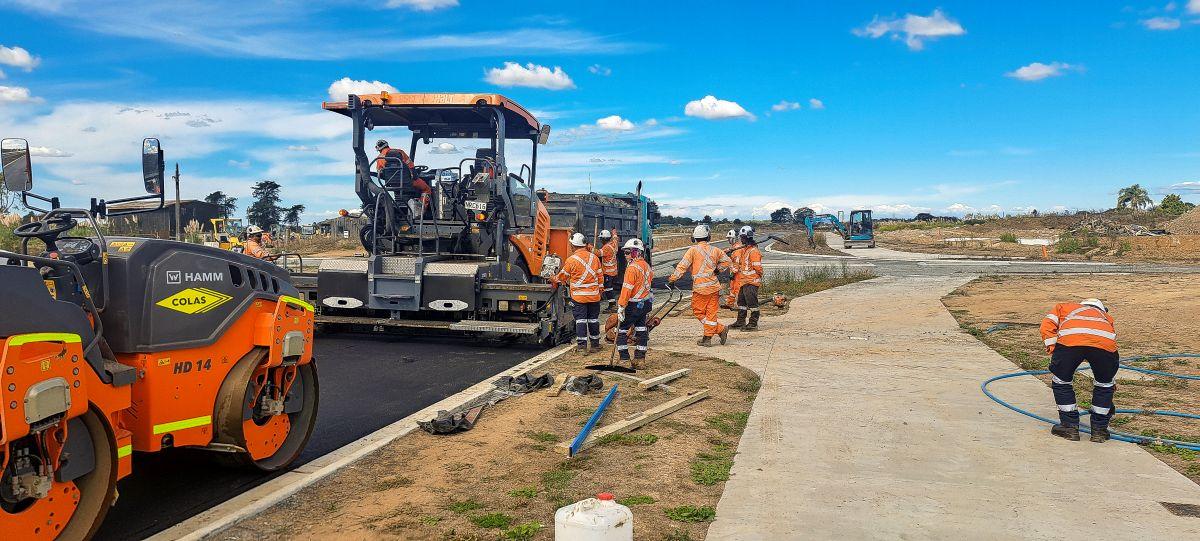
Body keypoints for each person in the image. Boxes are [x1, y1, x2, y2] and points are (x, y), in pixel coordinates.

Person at [1040, 298, 1119, 442]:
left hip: (1070, 342)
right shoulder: (1106, 317)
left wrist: (1055, 350)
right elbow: (1105, 341)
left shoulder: (1065, 307)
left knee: (1061, 381)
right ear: (1102, 308)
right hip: (1105, 347)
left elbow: (1047, 324)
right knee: (1104, 384)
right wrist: (1108, 379)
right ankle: (1099, 431)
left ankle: (1069, 427)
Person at [668, 224, 733, 347]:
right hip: (714, 287)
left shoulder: (692, 250)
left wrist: (672, 279)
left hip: (700, 289)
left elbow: (682, 266)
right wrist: (718, 270)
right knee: (711, 313)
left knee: (699, 312)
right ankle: (719, 330)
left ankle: (709, 337)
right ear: (708, 237)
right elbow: (728, 261)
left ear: (694, 238)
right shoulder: (716, 250)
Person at [553, 232, 604, 354]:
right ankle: (595, 345)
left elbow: (562, 277)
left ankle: (582, 347)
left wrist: (553, 278)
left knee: (580, 320)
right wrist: (600, 291)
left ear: (573, 246)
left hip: (579, 297)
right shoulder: (595, 258)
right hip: (594, 296)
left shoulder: (571, 260)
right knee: (593, 320)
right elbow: (600, 277)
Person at [616, 238, 653, 368]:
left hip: (634, 305)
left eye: (627, 252)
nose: (625, 255)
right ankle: (640, 359)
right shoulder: (646, 266)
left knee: (621, 330)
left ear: (635, 252)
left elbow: (626, 289)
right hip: (645, 304)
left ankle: (624, 359)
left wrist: (621, 306)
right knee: (641, 329)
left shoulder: (632, 268)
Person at [729, 225, 764, 331]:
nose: (741, 239)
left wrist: (756, 277)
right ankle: (740, 321)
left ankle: (753, 323)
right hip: (744, 281)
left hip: (751, 282)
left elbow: (758, 268)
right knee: (741, 303)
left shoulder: (753, 251)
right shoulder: (745, 250)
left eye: (742, 237)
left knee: (752, 303)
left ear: (747, 237)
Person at [599, 228, 620, 307]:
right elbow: (615, 238)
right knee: (609, 288)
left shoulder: (606, 248)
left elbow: (598, 253)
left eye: (601, 239)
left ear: (604, 239)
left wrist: (589, 247)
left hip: (608, 272)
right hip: (613, 271)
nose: (600, 241)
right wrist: (614, 231)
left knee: (608, 289)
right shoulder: (613, 244)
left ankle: (612, 305)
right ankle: (612, 304)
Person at [723, 229, 742, 308]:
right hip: (734, 272)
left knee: (737, 288)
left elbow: (737, 262)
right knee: (732, 288)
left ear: (733, 238)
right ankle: (730, 303)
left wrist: (734, 272)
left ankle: (737, 304)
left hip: (737, 273)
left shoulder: (737, 249)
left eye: (729, 238)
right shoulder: (734, 248)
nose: (728, 240)